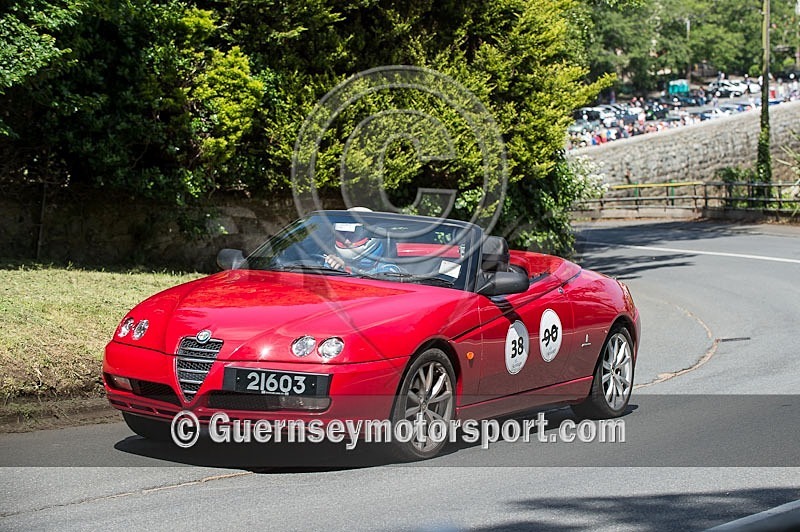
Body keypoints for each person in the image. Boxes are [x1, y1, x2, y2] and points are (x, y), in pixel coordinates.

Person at [323, 224, 402, 275]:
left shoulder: (387, 268)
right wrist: (331, 266)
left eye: (354, 235)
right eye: (342, 235)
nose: (346, 241)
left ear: (371, 237)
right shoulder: (335, 262)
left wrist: (346, 268)